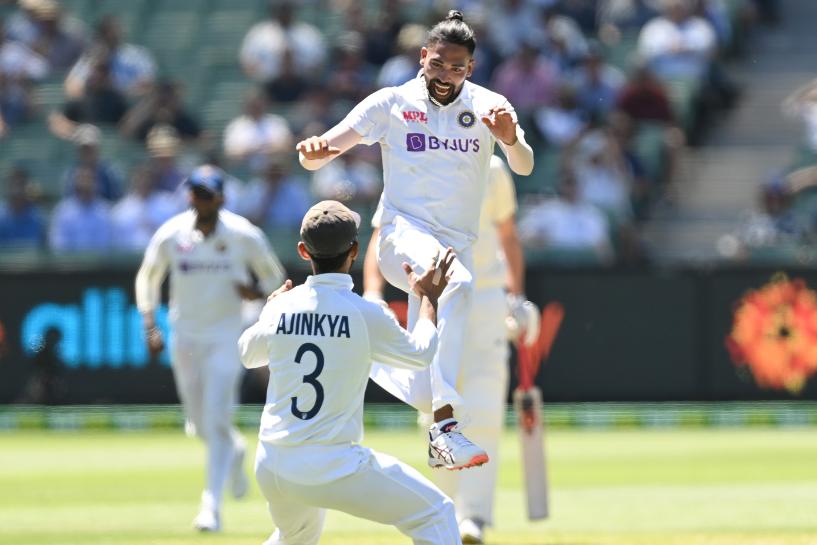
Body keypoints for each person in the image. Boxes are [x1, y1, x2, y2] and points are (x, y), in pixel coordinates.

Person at [296, 10, 534, 470]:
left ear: (471, 68)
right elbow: (325, 150)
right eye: (439, 63)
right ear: (423, 56)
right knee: (460, 283)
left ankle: (377, 359)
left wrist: (509, 139)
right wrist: (313, 152)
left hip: (455, 243)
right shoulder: (390, 102)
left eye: (457, 67)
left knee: (425, 383)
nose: (446, 75)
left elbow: (523, 165)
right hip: (400, 237)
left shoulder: (489, 105)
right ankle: (444, 430)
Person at [238, 199, 462, 545]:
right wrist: (428, 301)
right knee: (436, 513)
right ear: (355, 250)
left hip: (272, 464)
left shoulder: (282, 305)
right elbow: (421, 354)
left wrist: (270, 310)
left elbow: (247, 354)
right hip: (331, 464)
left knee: (295, 535)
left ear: (302, 251)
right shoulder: (363, 313)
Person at [364, 156, 540, 544]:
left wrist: (517, 296)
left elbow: (507, 234)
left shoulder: (492, 169)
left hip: (487, 296)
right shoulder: (410, 161)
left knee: (486, 399)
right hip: (433, 298)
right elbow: (383, 232)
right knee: (434, 406)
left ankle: (473, 516)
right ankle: (443, 509)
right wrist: (373, 292)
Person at [134, 165, 286, 532]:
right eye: (194, 192)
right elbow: (148, 277)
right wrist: (150, 324)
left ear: (221, 198)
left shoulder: (243, 234)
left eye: (206, 193)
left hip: (226, 336)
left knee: (216, 417)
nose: (198, 199)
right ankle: (233, 450)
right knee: (199, 425)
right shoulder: (172, 234)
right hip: (185, 335)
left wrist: (255, 294)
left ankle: (210, 507)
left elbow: (274, 279)